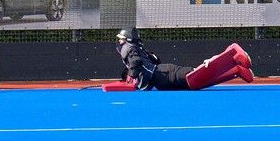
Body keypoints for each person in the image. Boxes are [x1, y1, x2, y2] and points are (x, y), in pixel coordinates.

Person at [102, 28, 253, 92]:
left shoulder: (129, 47)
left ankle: (233, 54)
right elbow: (153, 60)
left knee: (194, 76)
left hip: (164, 75)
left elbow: (135, 62)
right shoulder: (136, 48)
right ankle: (235, 70)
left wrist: (131, 78)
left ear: (127, 39)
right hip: (162, 76)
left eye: (121, 39)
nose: (119, 42)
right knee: (196, 83)